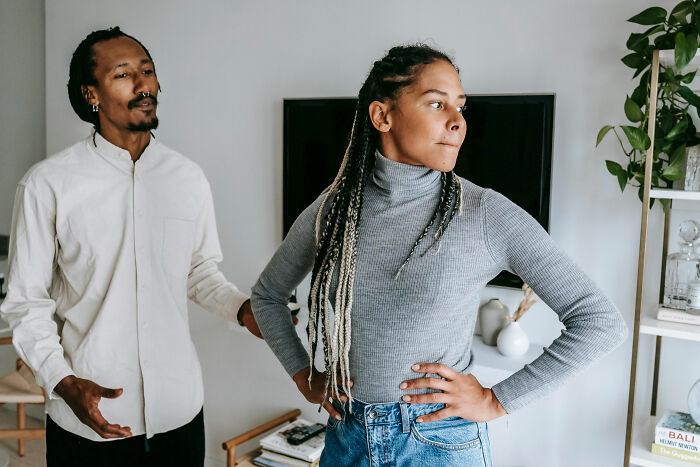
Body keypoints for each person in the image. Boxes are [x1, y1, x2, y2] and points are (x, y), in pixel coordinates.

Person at [250, 44, 628, 466]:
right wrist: (304, 376)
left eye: (460, 107)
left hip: (439, 442)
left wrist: (495, 400)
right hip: (347, 438)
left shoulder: (485, 213)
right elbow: (267, 296)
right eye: (437, 103)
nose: (457, 123)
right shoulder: (332, 210)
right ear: (382, 116)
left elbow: (600, 321)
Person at [0, 27, 266, 467]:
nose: (144, 84)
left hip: (180, 416)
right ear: (92, 95)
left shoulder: (188, 178)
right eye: (123, 74)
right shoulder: (46, 185)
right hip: (87, 421)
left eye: (148, 71)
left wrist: (243, 310)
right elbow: (26, 303)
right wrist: (63, 382)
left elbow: (199, 272)